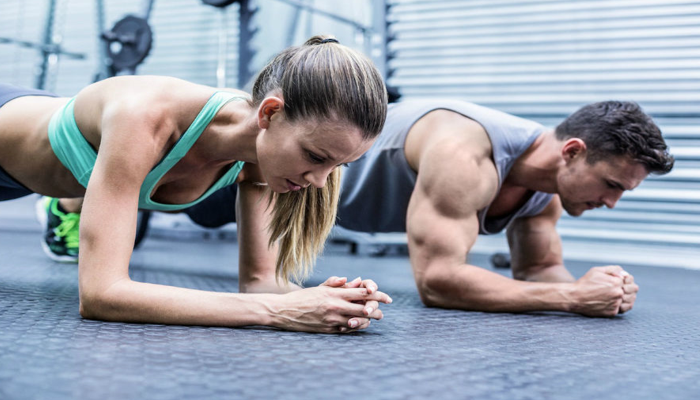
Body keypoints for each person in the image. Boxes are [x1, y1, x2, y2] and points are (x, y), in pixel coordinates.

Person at [0, 35, 392, 333]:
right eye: (316, 157)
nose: (320, 183)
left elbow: (260, 284)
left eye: (339, 165)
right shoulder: (144, 118)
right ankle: (66, 207)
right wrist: (279, 312)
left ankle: (68, 202)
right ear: (270, 113)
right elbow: (102, 295)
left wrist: (329, 301)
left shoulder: (259, 160)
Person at [183, 99, 674, 318]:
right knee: (187, 197)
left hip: (322, 205)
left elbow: (541, 268)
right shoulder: (466, 152)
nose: (610, 202)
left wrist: (600, 292)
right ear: (572, 151)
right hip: (282, 180)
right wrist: (571, 300)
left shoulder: (548, 187)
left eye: (621, 193)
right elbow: (439, 281)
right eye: (612, 185)